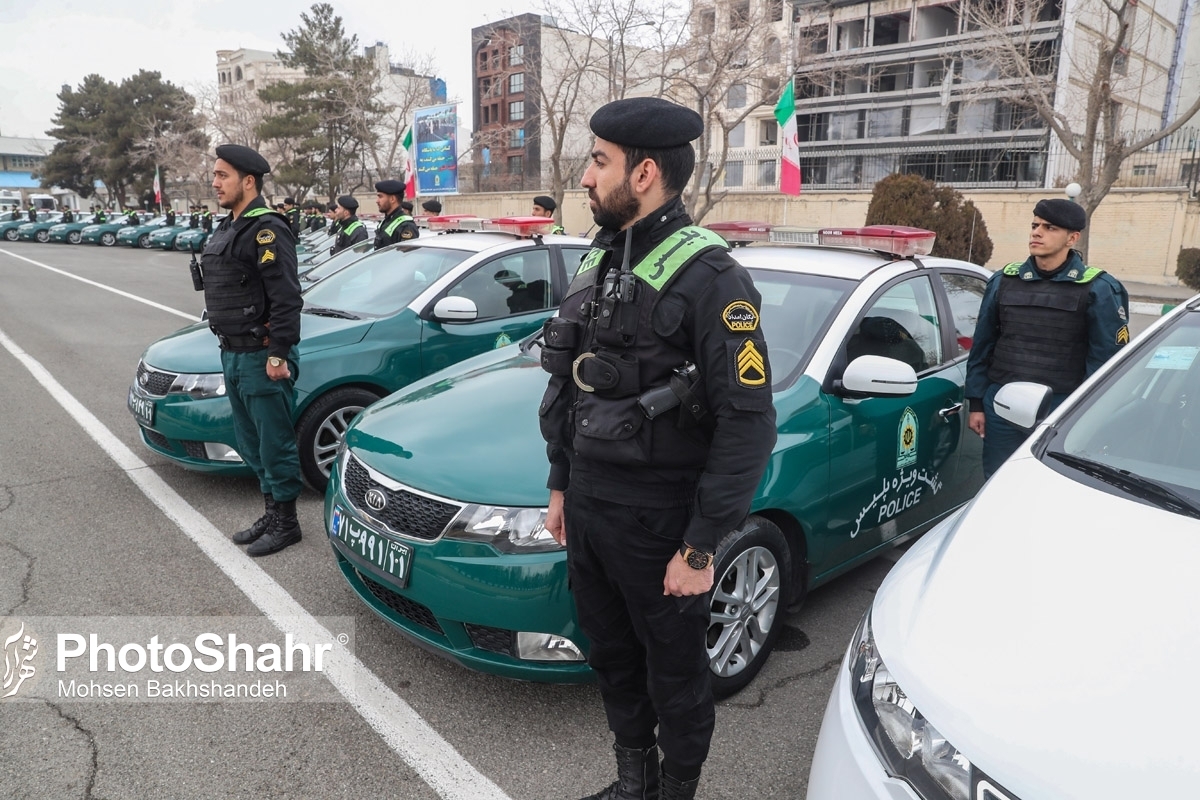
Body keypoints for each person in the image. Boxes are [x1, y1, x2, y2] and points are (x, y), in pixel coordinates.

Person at [538, 97, 777, 800]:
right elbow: (568, 387)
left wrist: (702, 547)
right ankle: (632, 781)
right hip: (588, 507)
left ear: (644, 173)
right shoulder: (602, 258)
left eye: (598, 162)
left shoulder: (714, 279)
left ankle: (677, 790)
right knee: (611, 657)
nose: (585, 177)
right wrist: (560, 485)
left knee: (674, 672)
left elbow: (747, 423)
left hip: (660, 521)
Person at [966, 198, 1130, 478]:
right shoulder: (1003, 280)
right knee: (997, 483)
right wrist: (977, 404)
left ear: (1072, 238)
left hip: (1062, 412)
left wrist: (1086, 419)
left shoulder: (1098, 288)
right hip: (1002, 408)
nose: (1036, 232)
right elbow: (982, 346)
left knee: (1052, 487)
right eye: (1034, 225)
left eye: (1049, 227)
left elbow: (1106, 364)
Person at [200, 144, 304, 557]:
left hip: (263, 357)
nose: (214, 182)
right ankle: (271, 511)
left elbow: (287, 299)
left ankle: (288, 522)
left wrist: (279, 353)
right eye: (214, 175)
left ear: (248, 181)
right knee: (250, 442)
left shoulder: (267, 229)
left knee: (274, 443)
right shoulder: (229, 227)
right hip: (234, 354)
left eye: (222, 175)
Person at [373, 179, 418, 248]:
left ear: (392, 199)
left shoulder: (406, 225)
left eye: (380, 196)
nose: (377, 201)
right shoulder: (387, 221)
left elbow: (406, 255)